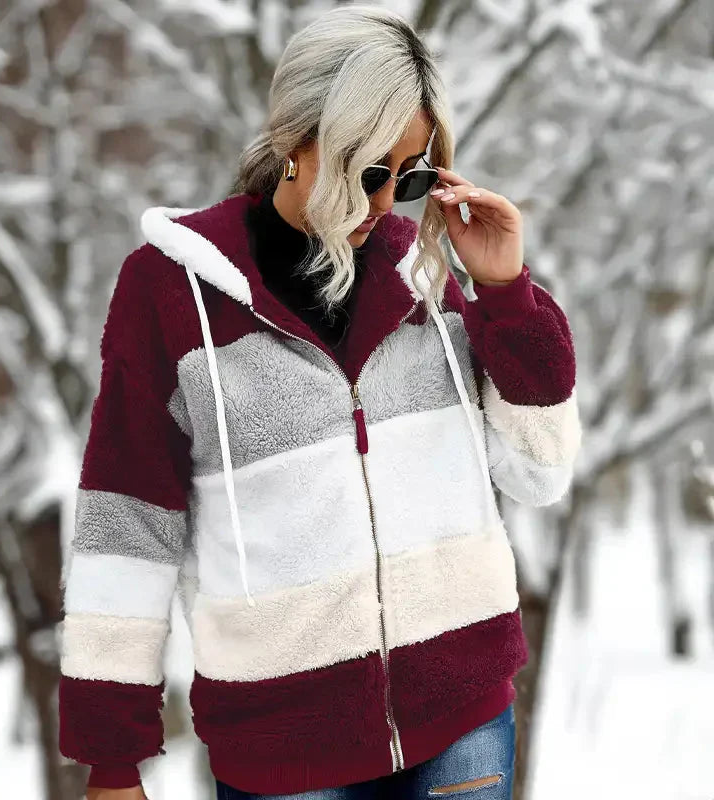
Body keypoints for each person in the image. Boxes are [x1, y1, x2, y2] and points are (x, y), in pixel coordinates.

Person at [57, 5, 582, 800]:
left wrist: (506, 293)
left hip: (464, 723)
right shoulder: (173, 296)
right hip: (283, 747)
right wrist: (112, 757)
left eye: (410, 176)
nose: (387, 202)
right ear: (295, 143)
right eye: (369, 171)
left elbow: (540, 474)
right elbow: (127, 525)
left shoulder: (426, 280)